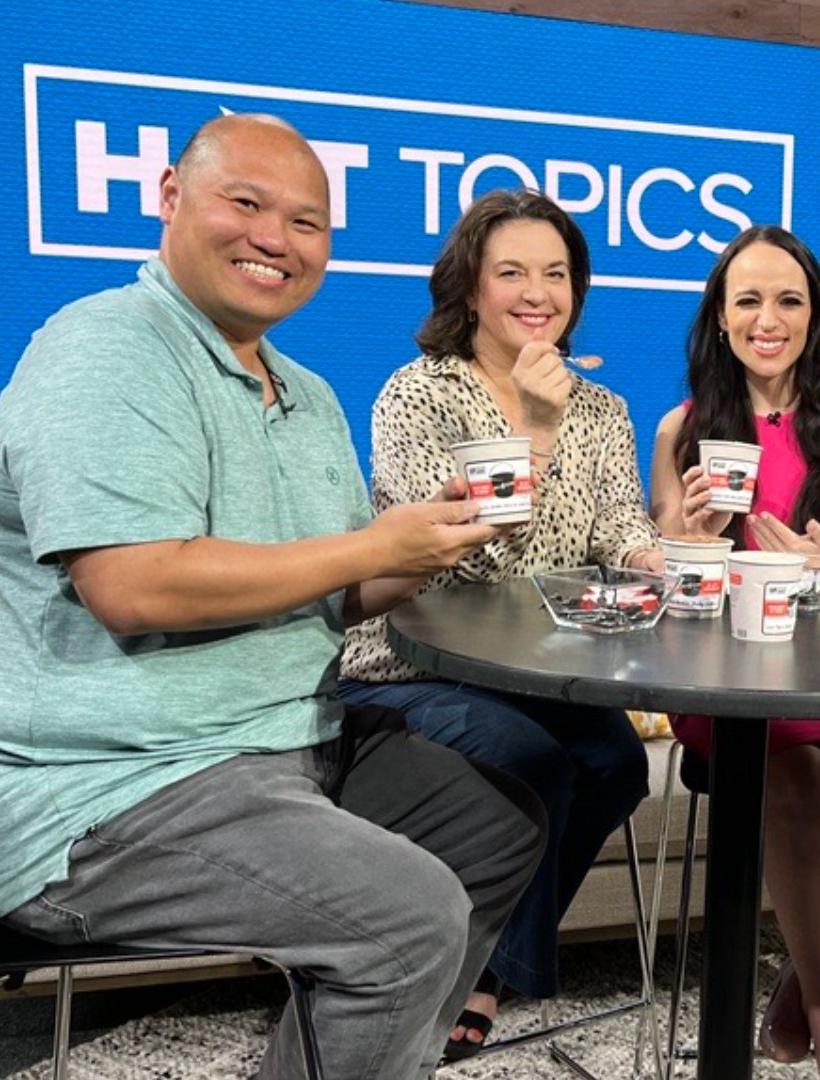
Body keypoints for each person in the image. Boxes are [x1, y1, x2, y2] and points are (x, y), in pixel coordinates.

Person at [0, 113, 546, 1080]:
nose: (276, 239)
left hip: (280, 746)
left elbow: (336, 594)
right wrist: (369, 541)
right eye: (247, 204)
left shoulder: (305, 391)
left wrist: (425, 544)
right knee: (410, 917)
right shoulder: (105, 349)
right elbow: (132, 586)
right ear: (172, 198)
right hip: (110, 790)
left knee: (496, 822)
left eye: (306, 222)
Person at [337, 188, 655, 1060]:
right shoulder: (419, 395)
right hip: (410, 667)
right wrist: (535, 426)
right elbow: (453, 561)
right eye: (511, 271)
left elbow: (618, 528)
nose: (537, 292)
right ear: (470, 288)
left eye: (556, 274)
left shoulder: (602, 407)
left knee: (617, 761)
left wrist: (666, 555)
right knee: (530, 761)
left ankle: (492, 953)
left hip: (537, 669)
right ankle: (477, 971)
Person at [648, 225, 820, 1080]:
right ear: (720, 320)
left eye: (789, 300)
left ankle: (797, 982)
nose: (769, 319)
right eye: (749, 301)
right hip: (728, 678)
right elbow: (668, 580)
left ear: (816, 314)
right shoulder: (681, 430)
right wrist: (688, 538)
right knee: (791, 774)